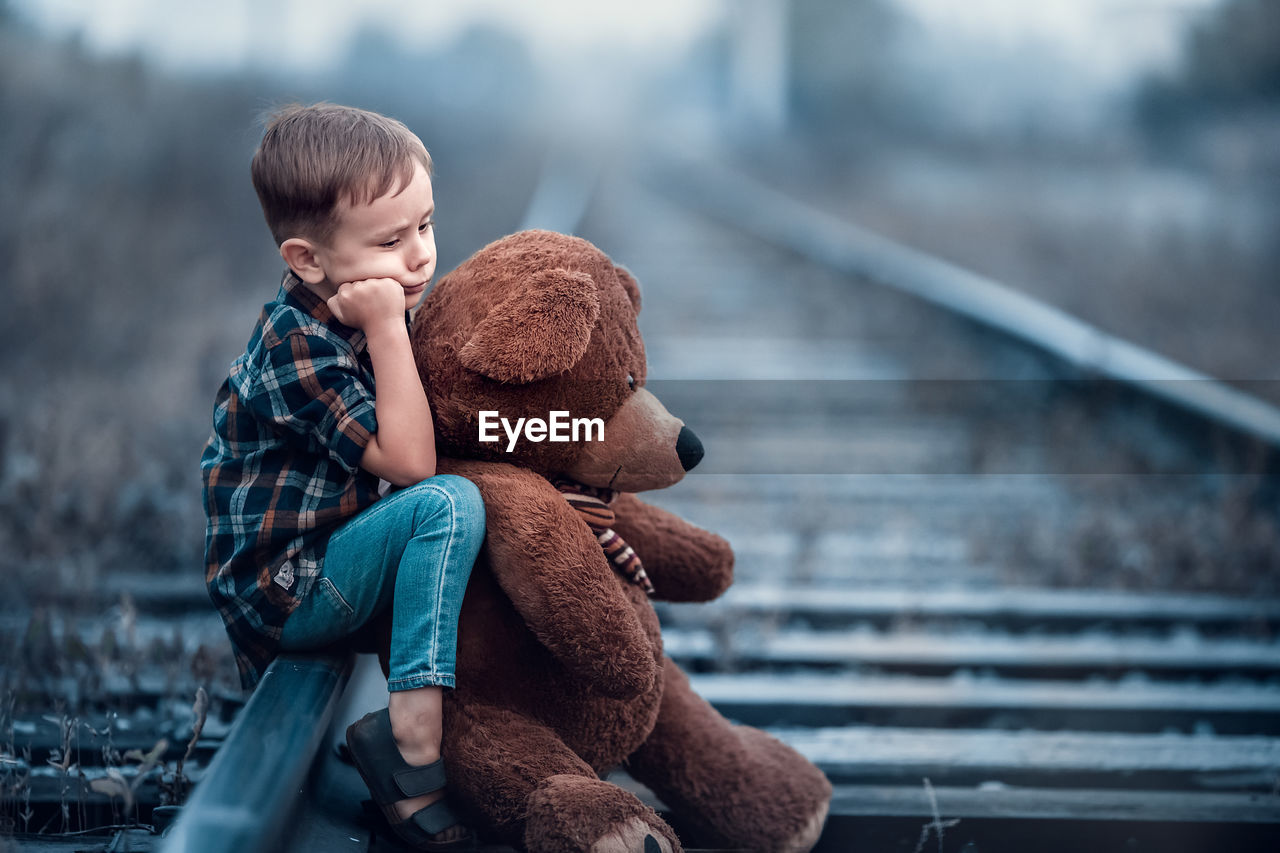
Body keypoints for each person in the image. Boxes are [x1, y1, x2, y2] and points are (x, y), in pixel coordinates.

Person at [200, 103, 483, 850]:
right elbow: (416, 467)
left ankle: (492, 732)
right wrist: (392, 331)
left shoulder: (370, 307)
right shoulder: (300, 347)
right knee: (448, 507)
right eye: (391, 240)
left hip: (334, 553)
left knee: (484, 526)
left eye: (425, 224)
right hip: (286, 588)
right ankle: (413, 743)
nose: (420, 255)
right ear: (308, 260)